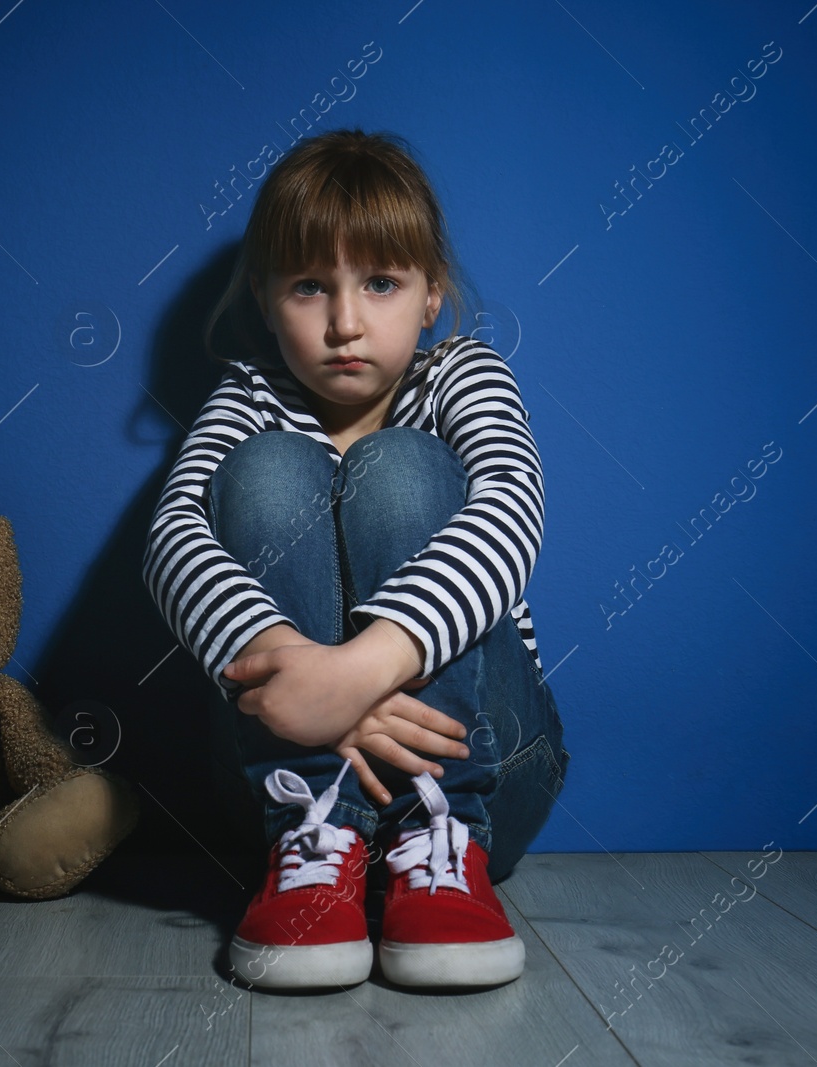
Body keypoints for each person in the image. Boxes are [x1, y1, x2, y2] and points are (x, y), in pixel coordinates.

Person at [142, 128, 570, 991]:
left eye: (381, 283)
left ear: (430, 295)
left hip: (483, 760)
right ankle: (315, 839)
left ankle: (437, 842)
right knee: (262, 468)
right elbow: (170, 539)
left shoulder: (462, 375)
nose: (345, 322)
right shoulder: (249, 399)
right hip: (281, 779)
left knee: (401, 466)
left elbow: (513, 509)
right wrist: (300, 674)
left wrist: (361, 672)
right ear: (265, 299)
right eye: (309, 286)